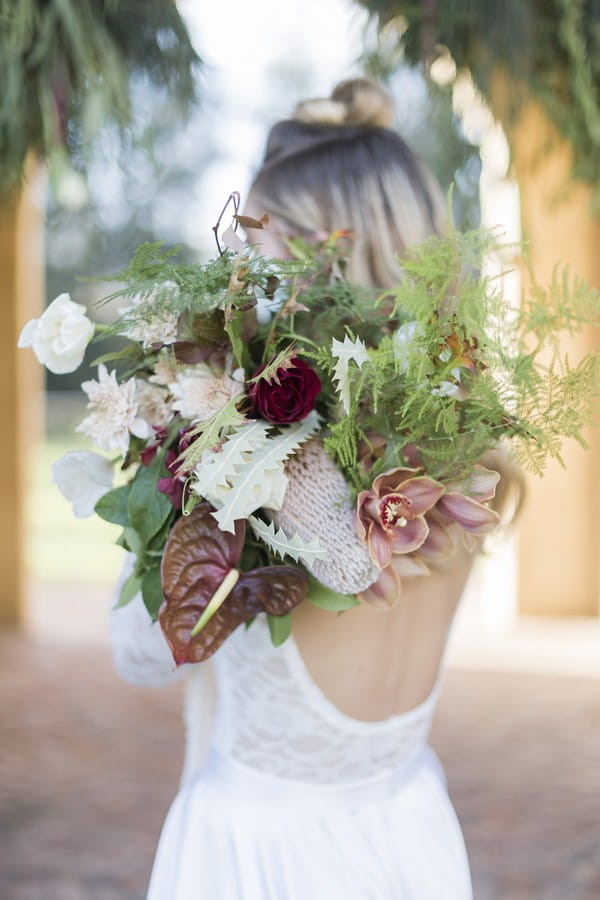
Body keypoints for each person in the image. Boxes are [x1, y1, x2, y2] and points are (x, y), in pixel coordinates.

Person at [111, 78, 516, 899]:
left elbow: (140, 654)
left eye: (263, 245)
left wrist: (177, 478)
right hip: (408, 831)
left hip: (264, 849)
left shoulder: (271, 461)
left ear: (330, 256)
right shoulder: (465, 450)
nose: (240, 274)